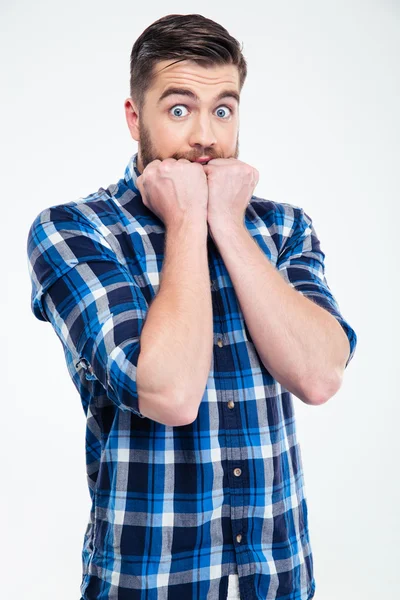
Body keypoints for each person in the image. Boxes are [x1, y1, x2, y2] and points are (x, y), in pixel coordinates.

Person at [26, 13, 357, 600]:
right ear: (135, 118)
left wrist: (226, 222)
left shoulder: (283, 228)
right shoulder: (77, 231)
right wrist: (186, 221)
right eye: (179, 109)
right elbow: (169, 392)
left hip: (278, 581)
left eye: (223, 109)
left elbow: (320, 374)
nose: (205, 135)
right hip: (148, 583)